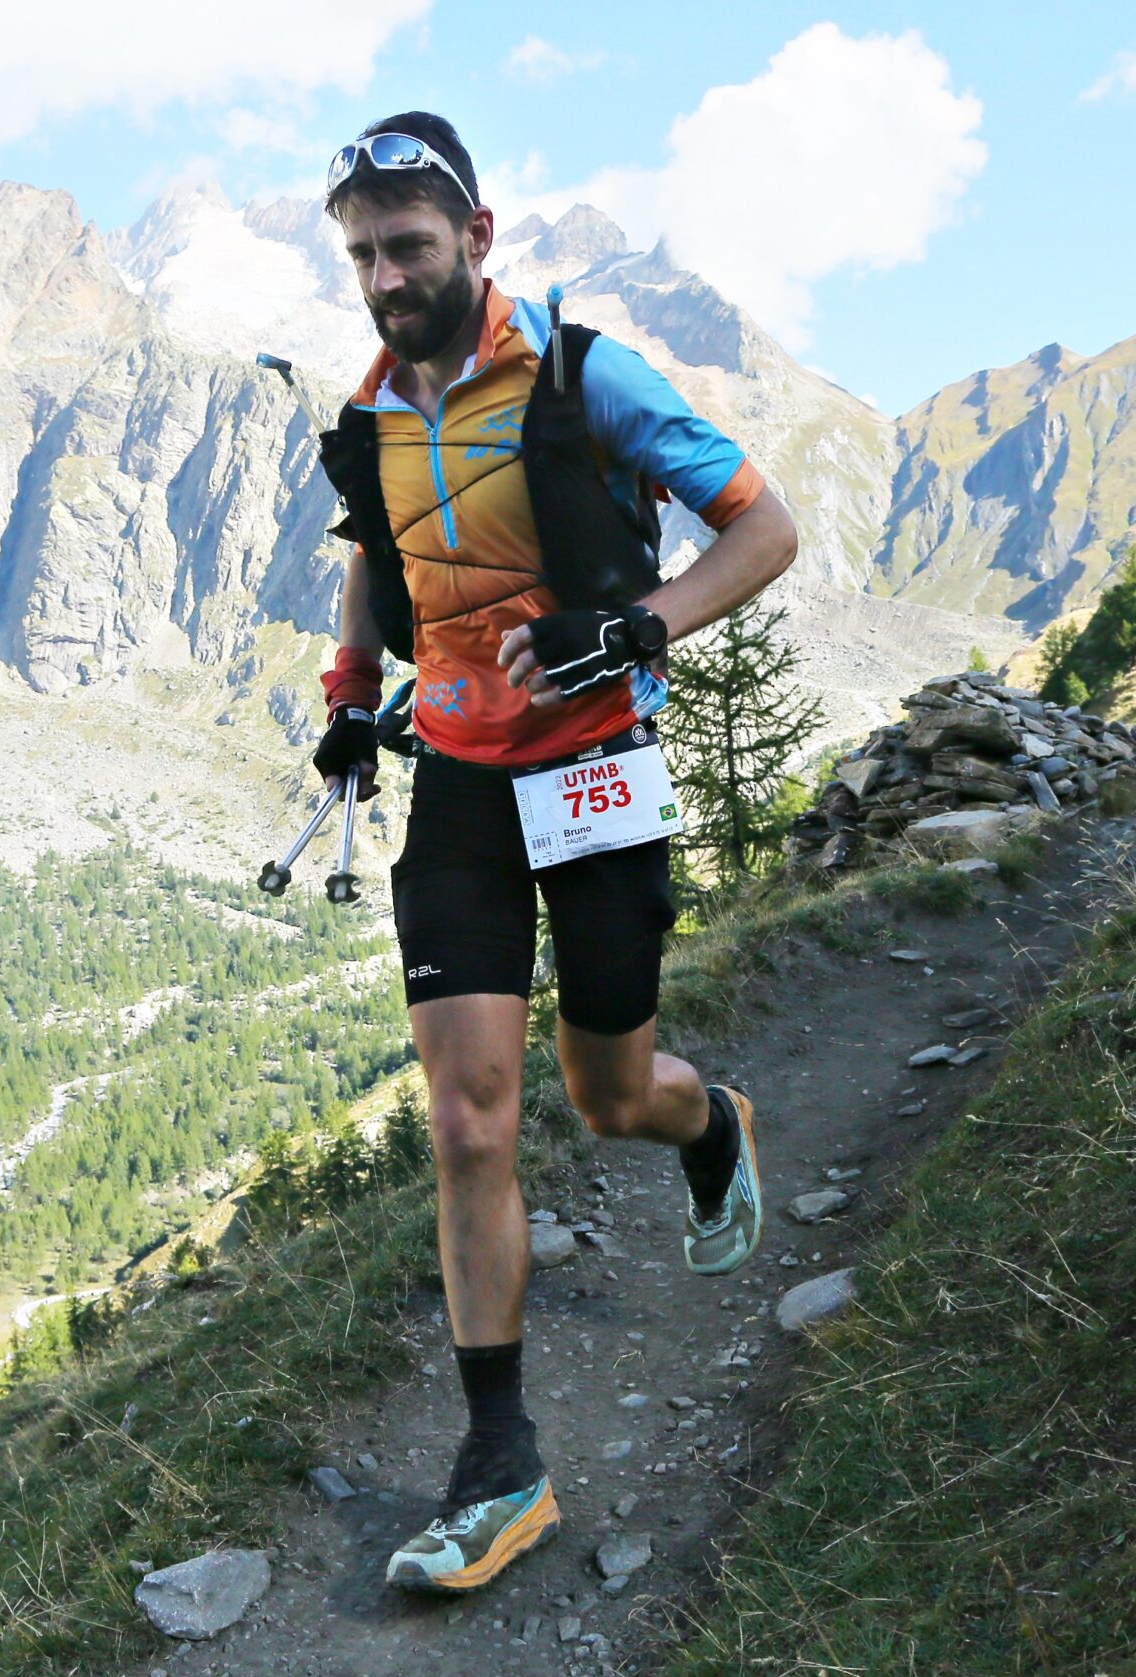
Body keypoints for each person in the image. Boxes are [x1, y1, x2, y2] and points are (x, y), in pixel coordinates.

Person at [307, 112, 800, 1595]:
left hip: (594, 774)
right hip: (458, 781)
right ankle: (499, 1460)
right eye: (363, 252)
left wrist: (640, 628)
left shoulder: (591, 379)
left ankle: (708, 1122)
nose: (388, 274)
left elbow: (763, 528)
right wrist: (346, 700)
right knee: (469, 1120)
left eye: (409, 242)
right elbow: (372, 559)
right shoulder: (373, 410)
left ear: (476, 236)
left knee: (606, 1095)